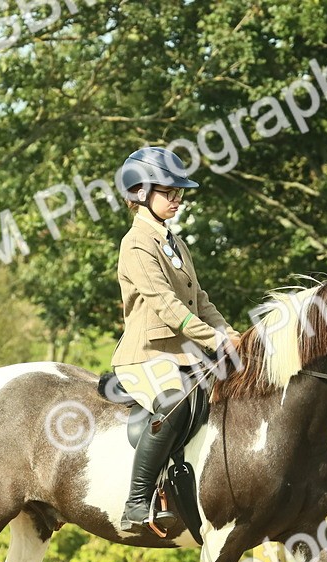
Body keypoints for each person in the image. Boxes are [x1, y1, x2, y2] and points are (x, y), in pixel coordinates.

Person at [110, 146, 240, 533]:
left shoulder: (175, 244)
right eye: (169, 192)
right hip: (145, 356)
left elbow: (200, 300)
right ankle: (136, 501)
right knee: (174, 404)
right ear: (140, 194)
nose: (177, 199)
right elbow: (167, 306)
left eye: (179, 192)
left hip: (184, 356)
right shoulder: (135, 244)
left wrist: (230, 332)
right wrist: (213, 340)